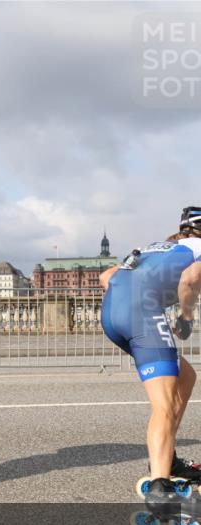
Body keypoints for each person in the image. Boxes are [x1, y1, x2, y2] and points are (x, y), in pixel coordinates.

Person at [99, 205, 201, 507]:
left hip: (114, 315)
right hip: (142, 317)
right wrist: (185, 317)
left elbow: (107, 276)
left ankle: (166, 458)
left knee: (186, 376)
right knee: (165, 403)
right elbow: (190, 281)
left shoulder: (160, 247)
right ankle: (160, 486)